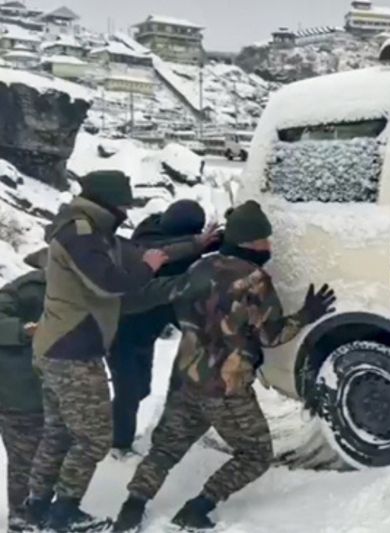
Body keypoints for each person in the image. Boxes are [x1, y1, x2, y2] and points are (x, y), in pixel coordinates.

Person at [112, 201, 336, 532]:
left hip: (186, 378)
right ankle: (198, 508)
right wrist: (306, 315)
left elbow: (164, 296)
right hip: (226, 388)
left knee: (165, 450)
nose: (268, 246)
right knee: (256, 454)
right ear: (250, 242)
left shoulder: (199, 267)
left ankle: (131, 509)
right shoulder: (255, 280)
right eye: (264, 240)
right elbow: (271, 335)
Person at [24, 170, 170, 532]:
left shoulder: (82, 226)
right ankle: (63, 514)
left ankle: (36, 509)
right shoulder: (81, 232)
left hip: (58, 346)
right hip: (72, 350)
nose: (126, 211)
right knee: (93, 439)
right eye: (123, 204)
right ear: (108, 202)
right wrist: (149, 268)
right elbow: (108, 283)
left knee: (58, 433)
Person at [109, 199, 222, 458]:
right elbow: (161, 250)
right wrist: (197, 243)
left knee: (141, 389)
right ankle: (118, 445)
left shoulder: (179, 240)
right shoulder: (147, 240)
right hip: (122, 327)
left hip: (145, 329)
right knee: (128, 392)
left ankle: (107, 430)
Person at [0, 250, 47, 532]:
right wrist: (25, 331)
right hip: (19, 392)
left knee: (48, 456)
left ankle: (39, 512)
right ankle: (20, 517)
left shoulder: (82, 289)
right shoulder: (26, 289)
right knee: (24, 460)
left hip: (53, 391)